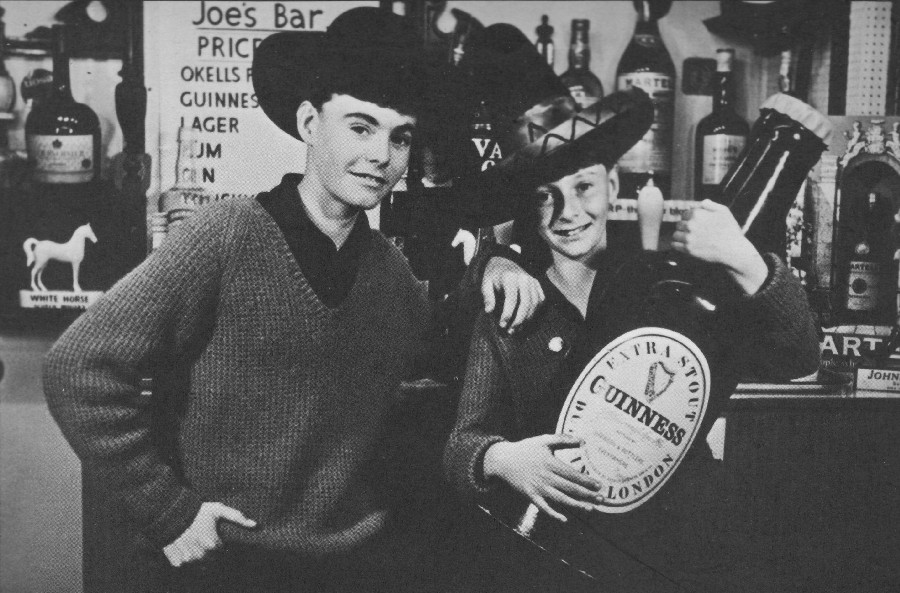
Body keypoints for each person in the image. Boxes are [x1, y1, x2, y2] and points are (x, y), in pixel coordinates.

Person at [42, 8, 543, 593]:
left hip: (354, 564)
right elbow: (77, 367)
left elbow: (429, 393)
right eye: (361, 127)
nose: (382, 155)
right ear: (308, 122)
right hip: (227, 567)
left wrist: (496, 260)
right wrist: (167, 512)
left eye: (400, 136)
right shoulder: (226, 234)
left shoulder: (392, 276)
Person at [442, 27, 821, 593]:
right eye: (546, 194)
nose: (568, 211)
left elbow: (796, 358)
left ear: (613, 180)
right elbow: (459, 447)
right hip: (551, 562)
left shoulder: (663, 285)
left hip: (669, 559)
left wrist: (749, 262)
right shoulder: (508, 302)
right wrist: (503, 460)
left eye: (585, 185)